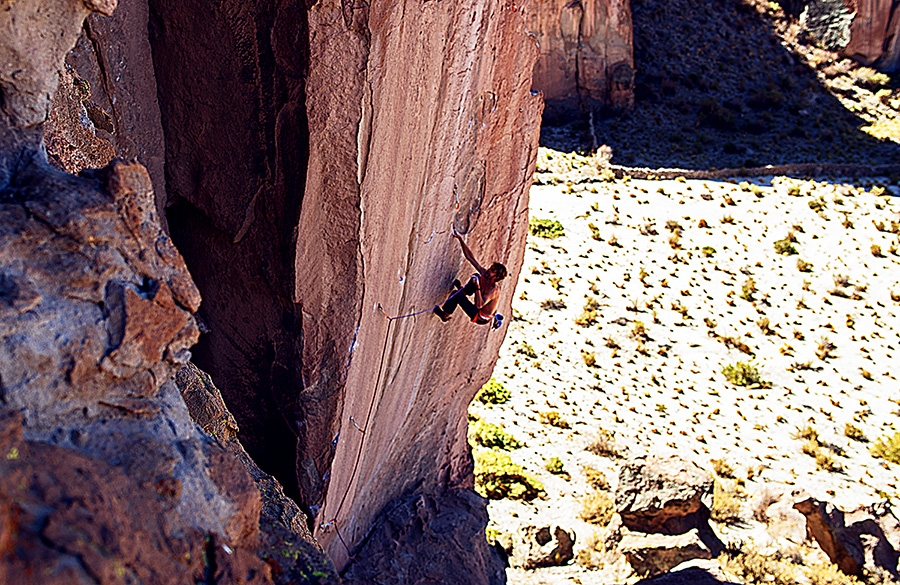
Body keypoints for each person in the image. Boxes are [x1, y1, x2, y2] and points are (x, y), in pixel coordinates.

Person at [434, 230, 507, 326]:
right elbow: (470, 258)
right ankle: (464, 291)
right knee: (477, 276)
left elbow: (479, 305)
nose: (489, 270)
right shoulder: (485, 274)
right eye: (491, 268)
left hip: (480, 317)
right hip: (480, 305)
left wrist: (477, 286)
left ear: (496, 277)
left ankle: (445, 315)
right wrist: (460, 239)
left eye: (492, 271)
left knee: (456, 294)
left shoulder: (492, 290)